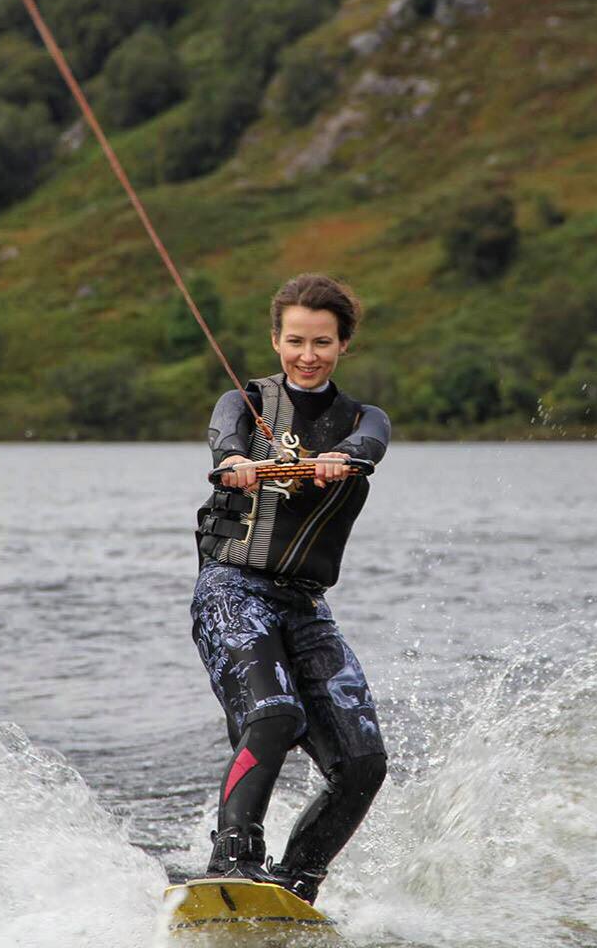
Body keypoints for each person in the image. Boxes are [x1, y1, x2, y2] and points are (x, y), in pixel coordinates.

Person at [190, 273, 391, 906]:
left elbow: (369, 446)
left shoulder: (364, 418)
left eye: (323, 343)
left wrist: (344, 460)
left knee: (363, 764)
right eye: (296, 341)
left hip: (304, 604)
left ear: (343, 346)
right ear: (276, 340)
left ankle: (295, 883)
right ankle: (234, 859)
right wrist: (238, 464)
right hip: (232, 591)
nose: (309, 355)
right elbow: (224, 443)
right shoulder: (241, 403)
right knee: (275, 714)